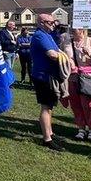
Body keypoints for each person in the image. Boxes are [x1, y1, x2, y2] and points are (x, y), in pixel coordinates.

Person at [61, 27, 91, 141]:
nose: (72, 29)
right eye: (71, 26)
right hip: (73, 77)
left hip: (88, 78)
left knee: (89, 104)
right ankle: (81, 128)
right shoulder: (67, 42)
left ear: (82, 29)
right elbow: (62, 56)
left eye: (75, 27)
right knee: (76, 103)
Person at [30, 14, 67, 151]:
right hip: (42, 76)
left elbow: (57, 50)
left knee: (50, 106)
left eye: (54, 22)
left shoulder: (48, 35)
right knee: (45, 107)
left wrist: (62, 54)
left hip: (49, 76)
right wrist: (66, 58)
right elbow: (52, 54)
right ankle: (47, 139)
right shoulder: (39, 35)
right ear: (41, 22)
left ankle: (50, 133)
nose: (53, 24)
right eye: (50, 22)